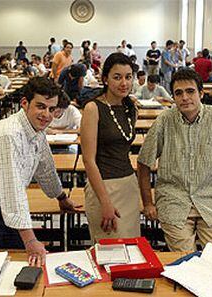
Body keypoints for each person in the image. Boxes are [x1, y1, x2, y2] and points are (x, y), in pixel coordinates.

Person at [0, 77, 79, 266]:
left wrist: (61, 197)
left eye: (51, 109)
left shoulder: (37, 129)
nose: (46, 114)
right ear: (25, 103)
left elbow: (45, 168)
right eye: (40, 106)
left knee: (16, 264)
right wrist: (30, 240)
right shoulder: (10, 134)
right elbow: (12, 190)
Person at [137, 68, 212, 252]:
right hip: (174, 201)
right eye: (179, 93)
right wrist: (148, 203)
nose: (185, 97)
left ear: (201, 93)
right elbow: (144, 163)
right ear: (173, 97)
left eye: (190, 91)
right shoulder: (164, 121)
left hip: (211, 201)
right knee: (185, 259)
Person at [80, 53, 140, 242]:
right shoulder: (93, 108)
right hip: (104, 187)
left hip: (129, 184)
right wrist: (105, 202)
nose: (124, 83)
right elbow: (88, 160)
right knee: (110, 251)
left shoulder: (132, 108)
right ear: (105, 79)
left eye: (128, 77)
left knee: (131, 248)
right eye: (117, 77)